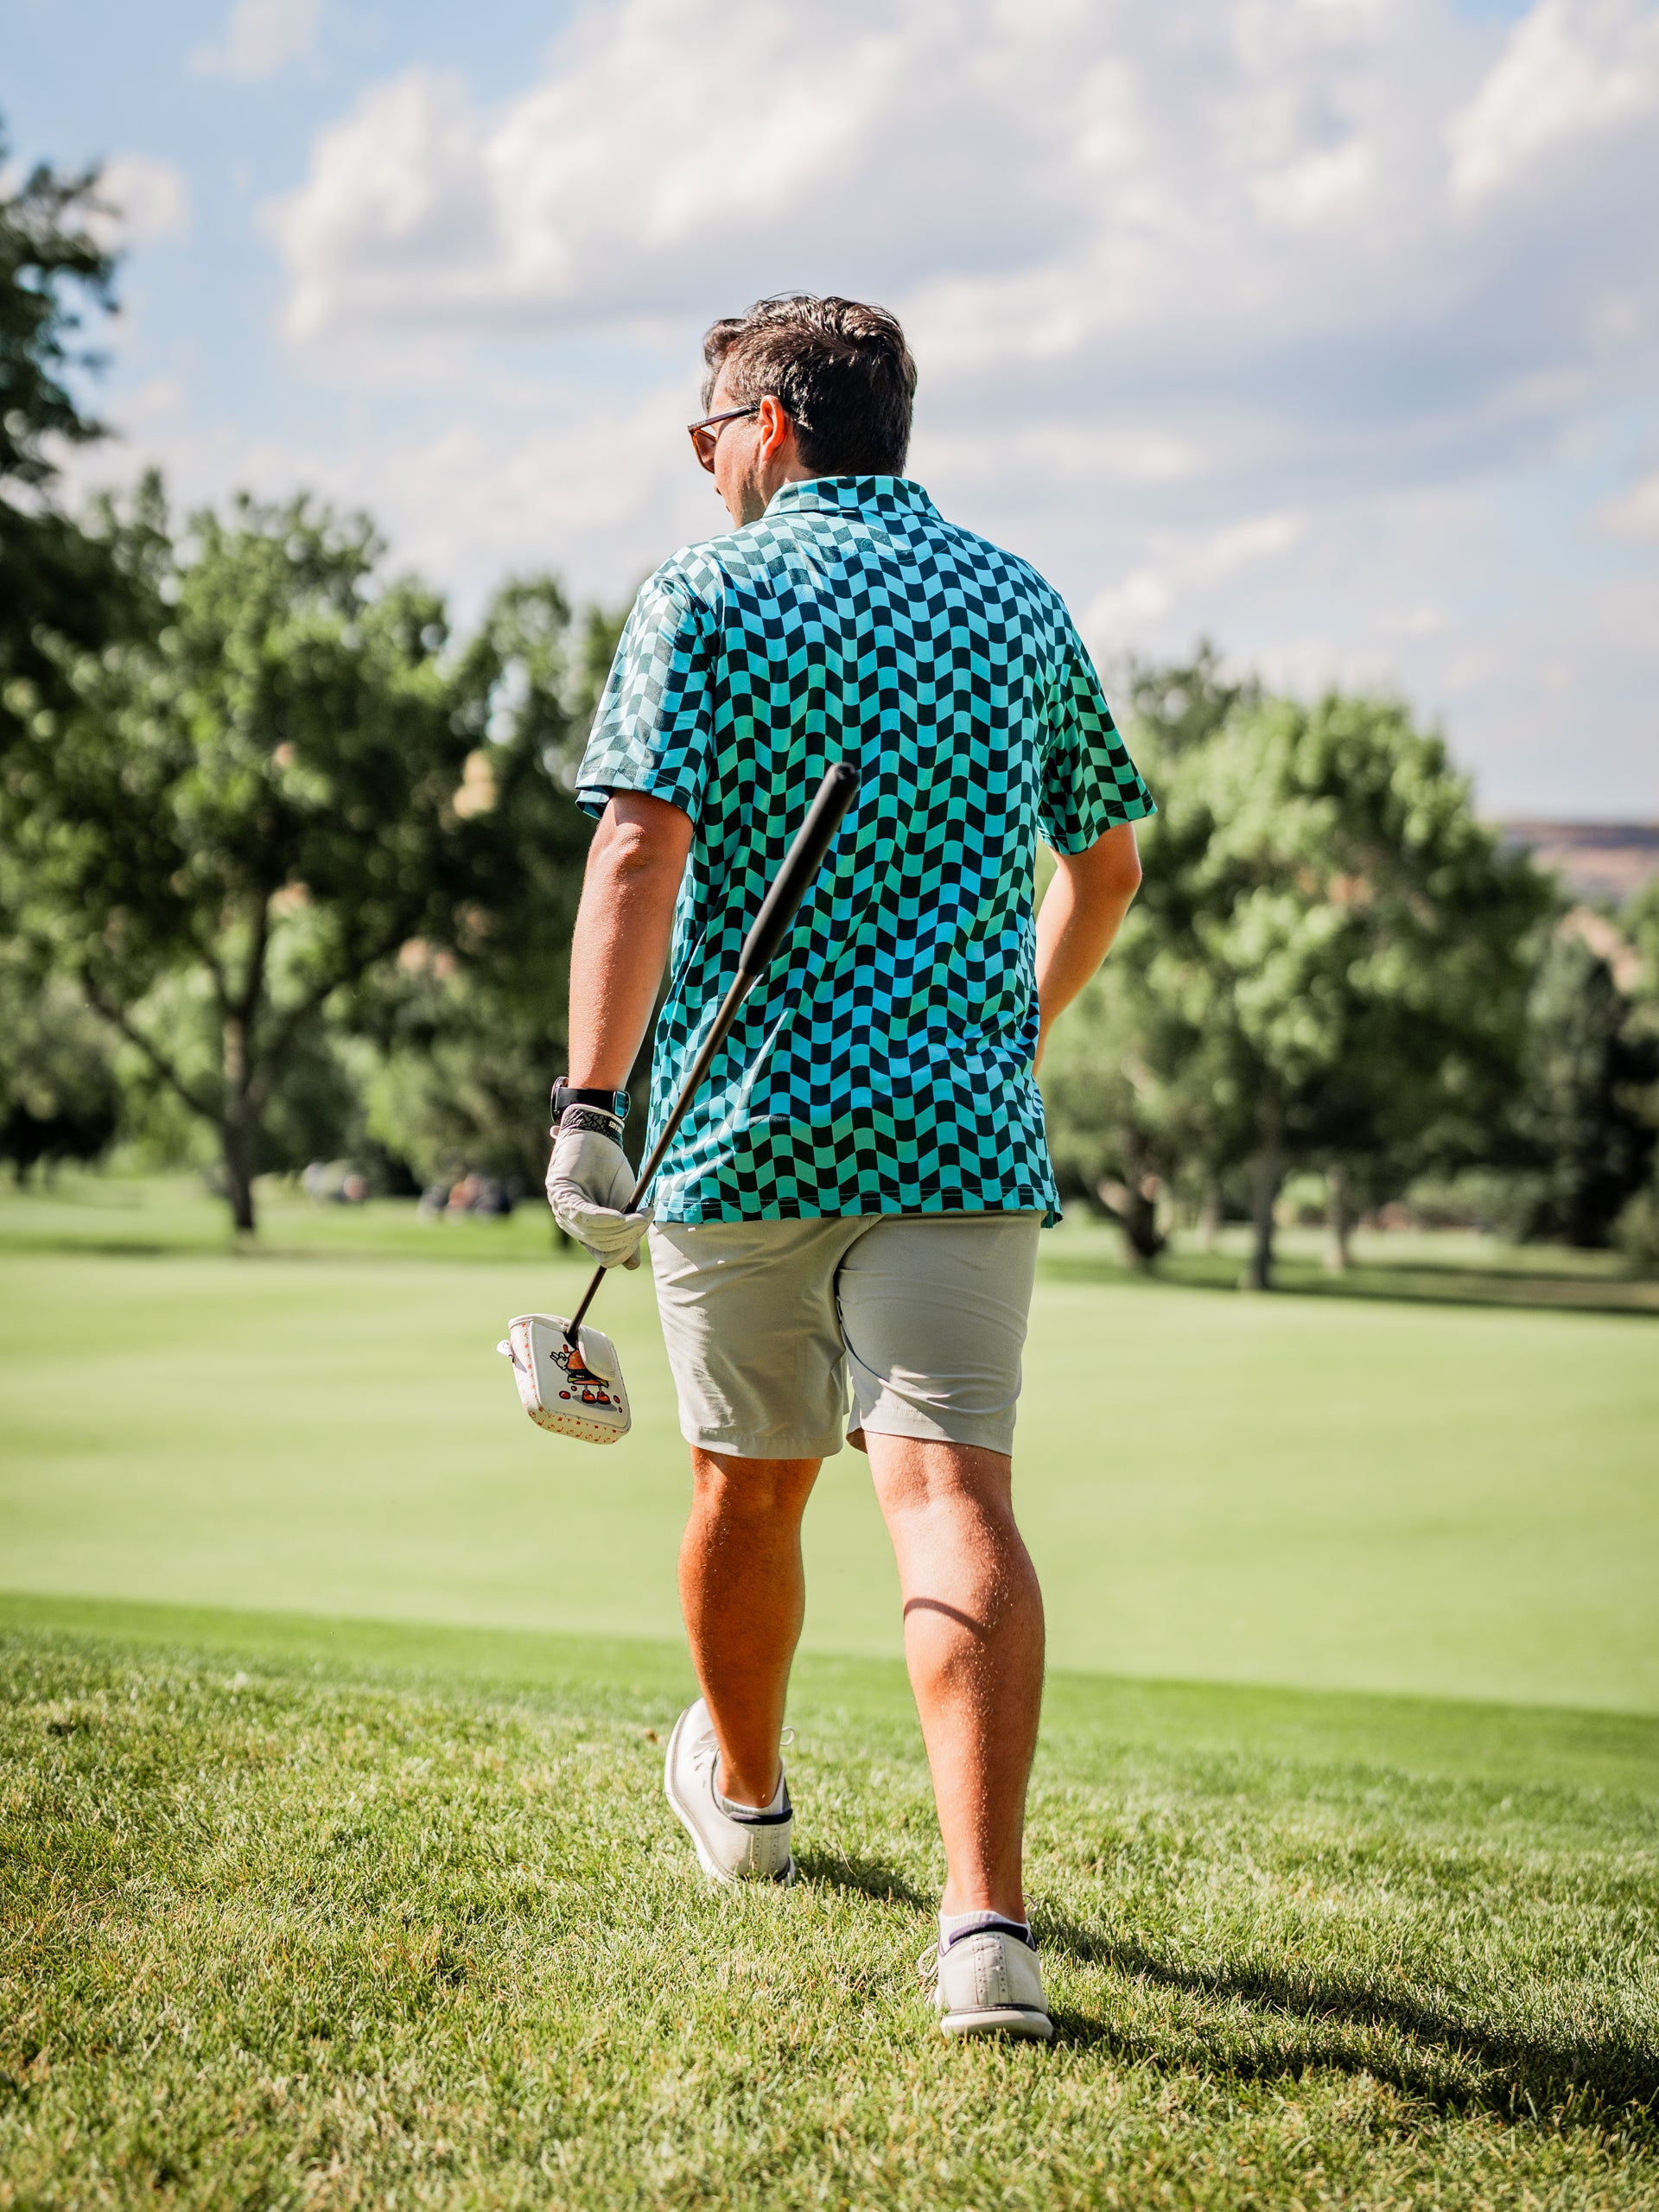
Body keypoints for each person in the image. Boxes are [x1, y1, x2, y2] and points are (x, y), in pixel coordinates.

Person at [545, 294, 1151, 2041]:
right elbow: (1104, 867)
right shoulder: (1017, 599)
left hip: (744, 1129)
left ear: (780, 426)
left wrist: (590, 1104)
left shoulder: (704, 594)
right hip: (961, 1134)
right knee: (954, 1501)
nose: (703, 460)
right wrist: (1005, 1037)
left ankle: (742, 1794)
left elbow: (636, 857)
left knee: (747, 1485)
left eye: (707, 430)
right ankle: (986, 1935)